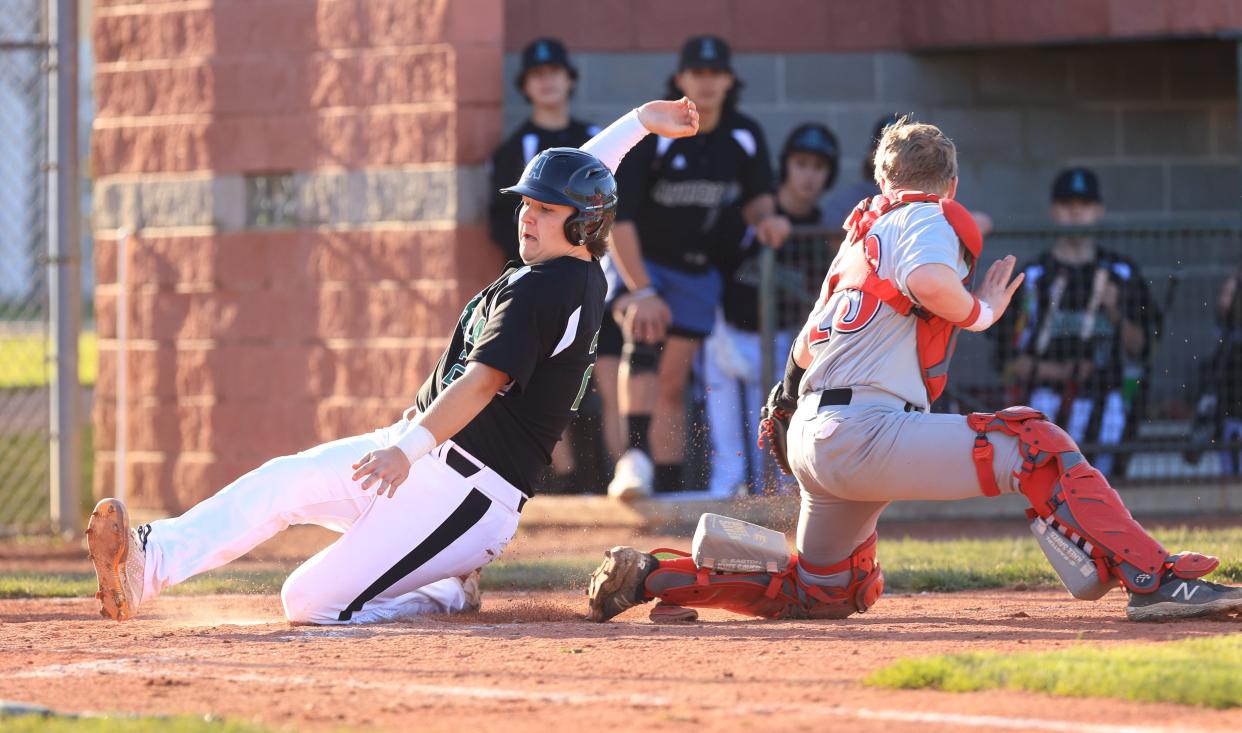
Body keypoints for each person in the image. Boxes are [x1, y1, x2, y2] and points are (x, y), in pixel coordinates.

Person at [587, 117, 1242, 625]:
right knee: (1035, 443)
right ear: (949, 184)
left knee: (829, 590)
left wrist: (785, 411)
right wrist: (982, 310)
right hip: (867, 429)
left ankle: (655, 574)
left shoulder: (856, 240)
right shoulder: (921, 216)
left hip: (825, 431)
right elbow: (931, 279)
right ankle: (1156, 578)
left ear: (881, 179)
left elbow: (808, 345)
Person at [84, 99, 702, 624]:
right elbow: (586, 178)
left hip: (467, 492)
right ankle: (147, 562)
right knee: (281, 482)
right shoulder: (572, 266)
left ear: (581, 222)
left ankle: (440, 593)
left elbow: (484, 382)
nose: (527, 213)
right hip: (424, 453)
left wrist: (403, 451)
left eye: (544, 209)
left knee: (309, 603)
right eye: (526, 203)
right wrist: (641, 121)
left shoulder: (550, 285)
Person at [607, 34, 789, 500]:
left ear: (729, 80)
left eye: (716, 74)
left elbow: (757, 200)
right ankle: (633, 460)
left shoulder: (742, 134)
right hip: (640, 259)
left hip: (694, 269)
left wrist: (768, 220)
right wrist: (641, 289)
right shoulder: (661, 130)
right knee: (642, 334)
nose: (706, 84)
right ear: (681, 78)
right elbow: (617, 216)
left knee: (673, 379)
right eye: (697, 74)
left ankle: (664, 489)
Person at [993, 168, 1160, 477]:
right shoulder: (1034, 276)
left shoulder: (1121, 273)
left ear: (1098, 211)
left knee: (1101, 485)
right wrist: (1061, 371)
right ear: (1054, 211)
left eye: (1084, 204)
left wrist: (1113, 310)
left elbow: (1143, 347)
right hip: (1044, 401)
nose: (1075, 212)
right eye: (1067, 204)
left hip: (1106, 402)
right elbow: (1005, 359)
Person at [704, 123, 839, 497]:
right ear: (785, 166)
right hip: (726, 332)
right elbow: (711, 266)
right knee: (727, 443)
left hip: (779, 341)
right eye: (801, 163)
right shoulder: (752, 212)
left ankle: (775, 506)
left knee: (771, 431)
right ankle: (724, 498)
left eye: (818, 166)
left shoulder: (821, 230)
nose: (808, 174)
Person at [488, 38, 600, 261]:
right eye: (538, 74)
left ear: (570, 79)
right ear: (525, 86)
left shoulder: (594, 136)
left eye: (554, 71)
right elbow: (501, 217)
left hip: (588, 263)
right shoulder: (514, 148)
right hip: (534, 267)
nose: (547, 80)